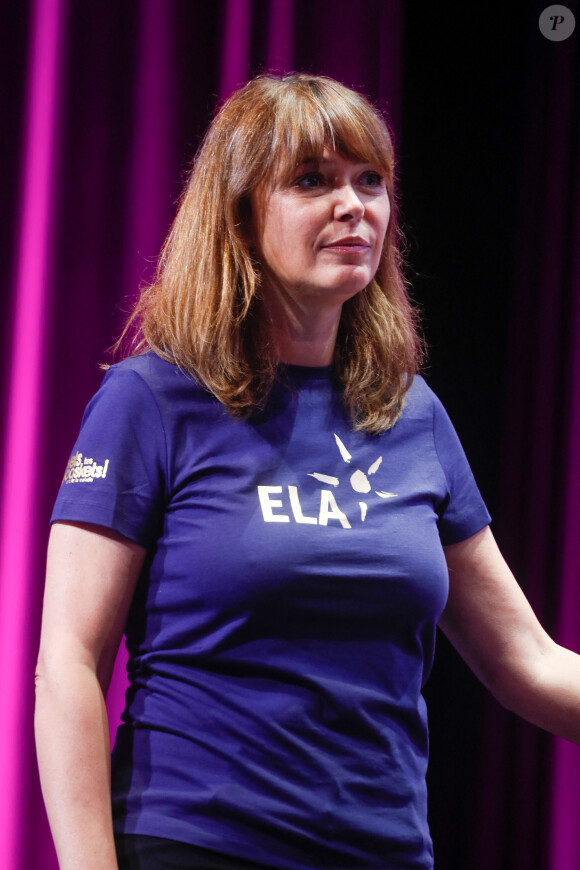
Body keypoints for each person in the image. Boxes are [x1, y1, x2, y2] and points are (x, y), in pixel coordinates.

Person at [34, 73, 580, 870]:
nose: (354, 204)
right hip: (199, 844)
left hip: (385, 851)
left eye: (371, 181)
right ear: (241, 215)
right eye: (313, 181)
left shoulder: (410, 412)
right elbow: (69, 666)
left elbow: (526, 662)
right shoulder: (150, 401)